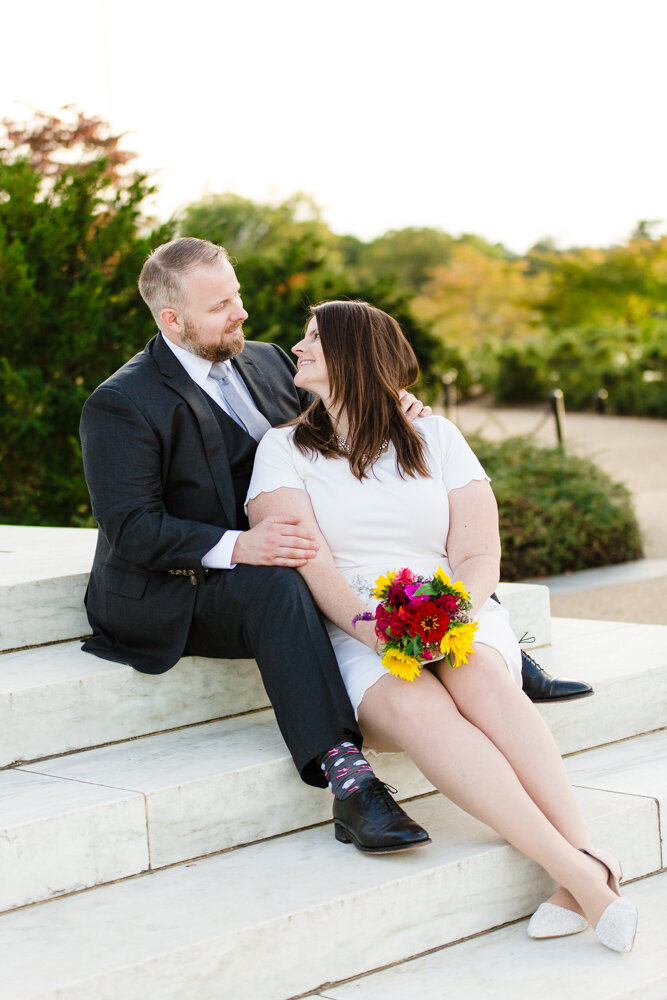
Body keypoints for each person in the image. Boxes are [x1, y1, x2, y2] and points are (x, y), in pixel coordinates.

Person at [245, 299, 638, 952]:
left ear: (352, 353)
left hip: (456, 611)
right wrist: (377, 630)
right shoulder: (282, 449)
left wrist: (454, 612)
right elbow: (308, 561)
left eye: (313, 337)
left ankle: (577, 870)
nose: (296, 346)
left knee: (480, 678)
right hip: (353, 629)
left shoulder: (437, 437)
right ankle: (582, 871)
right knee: (417, 706)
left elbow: (478, 554)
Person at [79, 237, 430, 853]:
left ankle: (473, 635)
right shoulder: (121, 402)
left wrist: (388, 404)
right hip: (170, 589)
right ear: (172, 320)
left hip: (275, 553)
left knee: (352, 528)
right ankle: (349, 783)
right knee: (280, 580)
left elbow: (334, 431)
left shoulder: (269, 361)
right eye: (221, 306)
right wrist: (241, 546)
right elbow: (131, 528)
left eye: (236, 294)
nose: (240, 311)